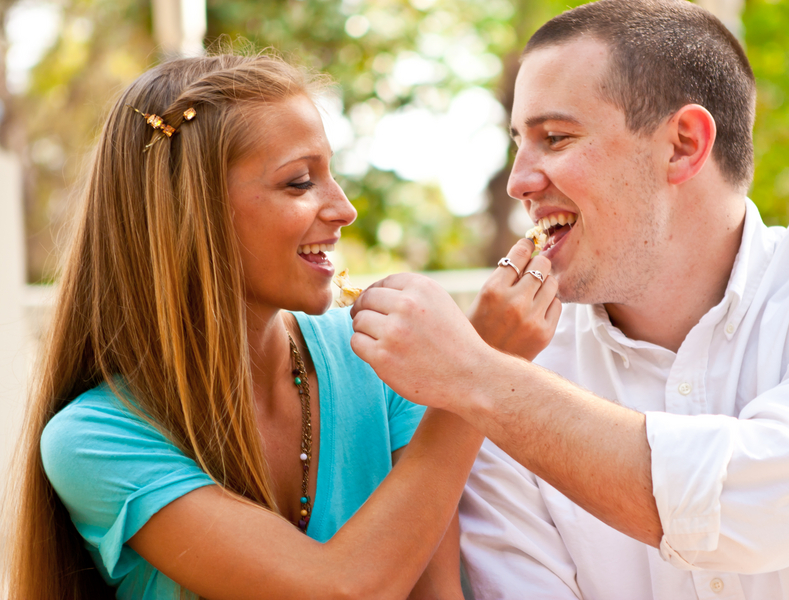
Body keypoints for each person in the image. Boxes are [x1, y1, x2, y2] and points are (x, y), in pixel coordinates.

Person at [349, 0, 789, 598]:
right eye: (518, 143)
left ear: (683, 145)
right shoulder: (510, 374)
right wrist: (484, 376)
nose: (519, 180)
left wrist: (475, 372)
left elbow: (754, 506)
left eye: (555, 138)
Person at [2, 52, 482, 600]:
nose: (344, 209)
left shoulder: (377, 359)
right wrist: (476, 381)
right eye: (300, 182)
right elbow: (340, 591)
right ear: (194, 213)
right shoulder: (94, 442)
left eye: (331, 174)